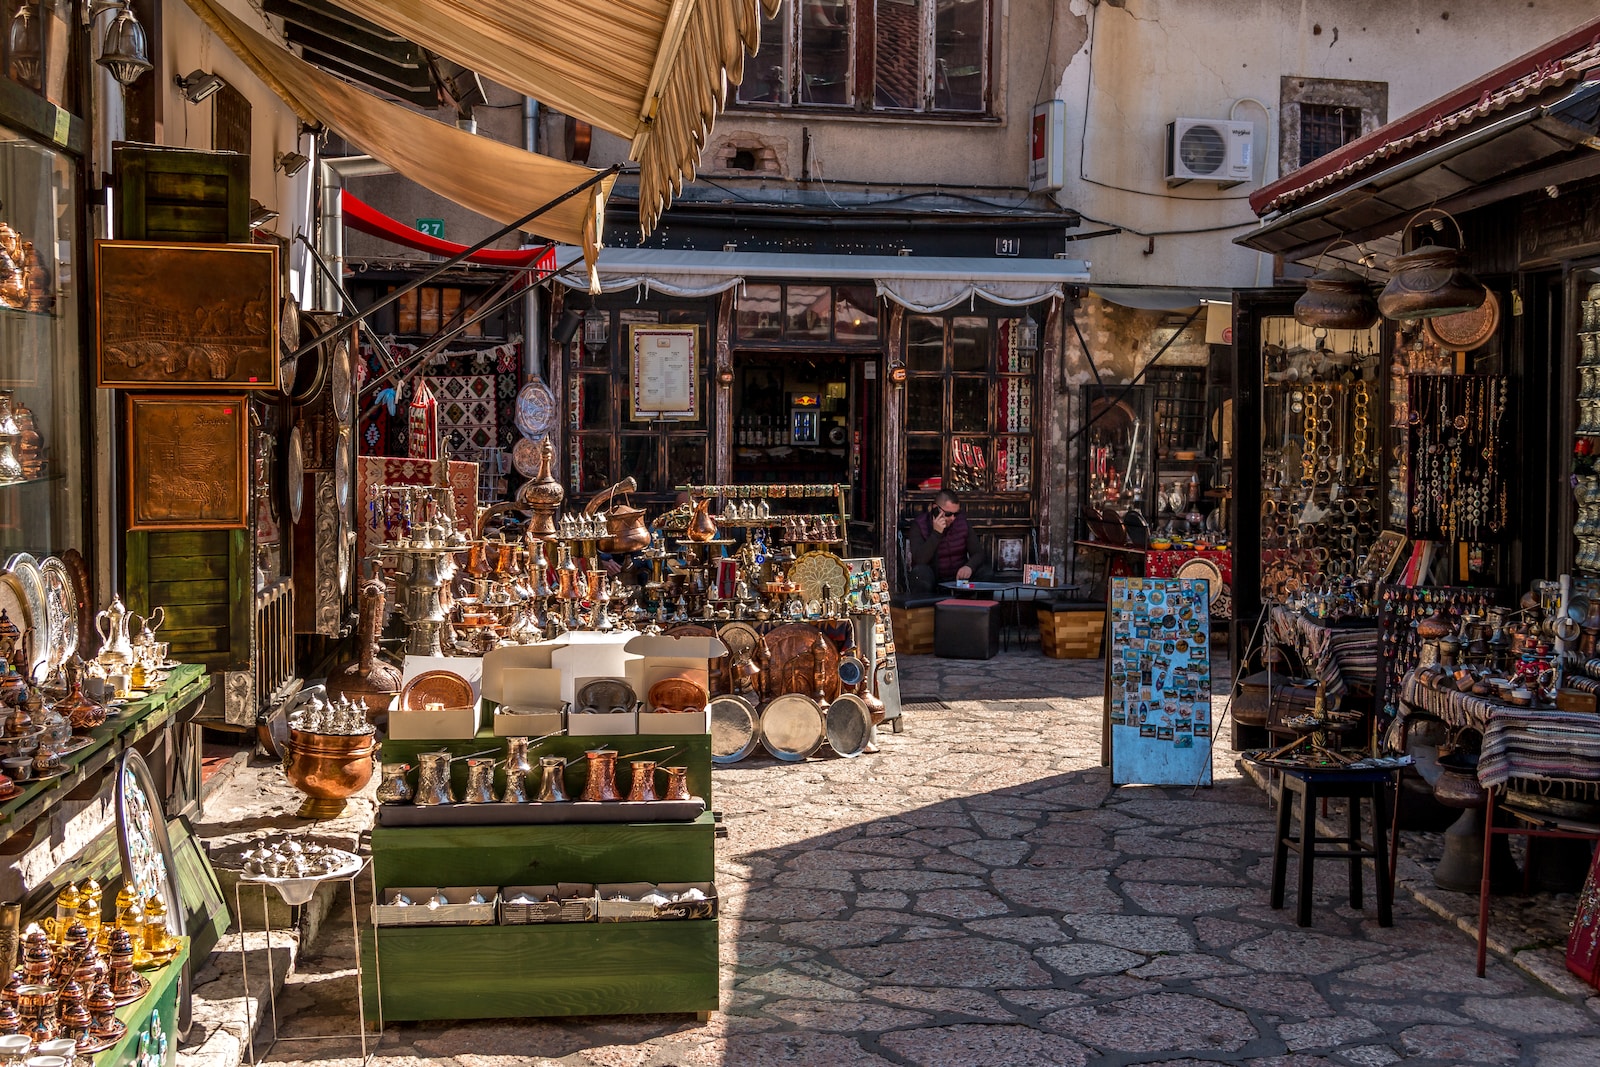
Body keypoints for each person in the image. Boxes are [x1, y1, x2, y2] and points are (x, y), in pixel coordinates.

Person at [906, 489, 990, 597]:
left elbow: (978, 553)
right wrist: (936, 534)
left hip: (959, 578)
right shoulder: (919, 525)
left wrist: (969, 567)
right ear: (935, 509)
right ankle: (925, 612)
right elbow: (919, 559)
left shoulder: (961, 522)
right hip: (934, 578)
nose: (952, 518)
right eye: (948, 514)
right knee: (920, 573)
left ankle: (982, 612)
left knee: (986, 572)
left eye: (956, 514)